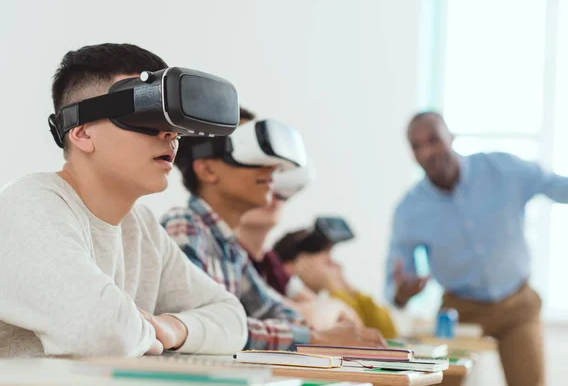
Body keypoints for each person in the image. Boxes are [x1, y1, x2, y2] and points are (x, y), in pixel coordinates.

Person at [0, 43, 247, 358]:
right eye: (146, 115)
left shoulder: (141, 227)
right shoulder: (29, 204)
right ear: (83, 133)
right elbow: (99, 332)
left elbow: (233, 319)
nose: (168, 135)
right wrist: (149, 335)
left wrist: (171, 328)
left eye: (171, 125)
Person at [161, 112, 386, 351]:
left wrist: (330, 332)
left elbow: (273, 311)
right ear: (207, 170)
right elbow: (208, 327)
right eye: (250, 151)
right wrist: (314, 338)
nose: (273, 168)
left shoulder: (230, 248)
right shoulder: (184, 226)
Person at [385, 111, 568, 386]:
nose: (427, 151)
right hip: (459, 312)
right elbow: (397, 280)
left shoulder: (502, 169)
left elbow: (554, 185)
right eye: (416, 145)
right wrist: (402, 294)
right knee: (437, 381)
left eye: (434, 139)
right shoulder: (409, 210)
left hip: (516, 304)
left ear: (451, 137)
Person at [237, 192, 363, 331]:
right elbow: (308, 321)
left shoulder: (271, 263)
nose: (272, 195)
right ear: (291, 266)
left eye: (280, 192)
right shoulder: (232, 258)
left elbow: (355, 323)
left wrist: (345, 289)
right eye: (326, 260)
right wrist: (334, 297)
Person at [273, 230, 398, 338]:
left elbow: (388, 332)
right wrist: (335, 288)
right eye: (326, 260)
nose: (333, 264)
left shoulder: (325, 300)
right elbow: (358, 334)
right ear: (290, 267)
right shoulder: (289, 305)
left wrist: (349, 287)